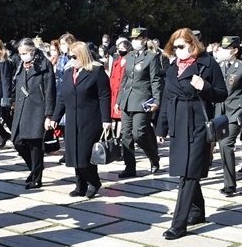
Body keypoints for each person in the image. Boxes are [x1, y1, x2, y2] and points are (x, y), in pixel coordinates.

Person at [156, 28, 227, 239]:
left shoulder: (208, 64)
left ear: (192, 44)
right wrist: (162, 127)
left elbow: (221, 94)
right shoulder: (171, 68)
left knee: (188, 174)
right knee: (184, 171)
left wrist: (204, 87)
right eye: (174, 47)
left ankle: (178, 225)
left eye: (181, 46)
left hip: (198, 125)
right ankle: (197, 211)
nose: (177, 50)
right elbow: (166, 99)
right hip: (178, 124)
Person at [47, 41, 112, 198]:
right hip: (72, 119)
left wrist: (106, 119)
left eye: (74, 55)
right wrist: (55, 117)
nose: (71, 58)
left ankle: (94, 182)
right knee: (73, 153)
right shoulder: (69, 72)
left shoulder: (96, 71)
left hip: (90, 119)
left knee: (84, 155)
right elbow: (62, 96)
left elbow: (104, 96)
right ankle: (80, 185)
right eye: (70, 55)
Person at [115, 27, 163, 179]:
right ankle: (130, 167)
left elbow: (155, 80)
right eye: (133, 39)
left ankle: (153, 157)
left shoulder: (151, 57)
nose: (135, 41)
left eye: (138, 38)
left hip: (143, 100)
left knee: (139, 133)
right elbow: (125, 79)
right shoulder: (129, 57)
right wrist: (118, 100)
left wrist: (156, 100)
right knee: (126, 135)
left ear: (145, 39)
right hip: (127, 100)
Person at [9, 38, 56, 189]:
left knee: (35, 144)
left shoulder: (44, 64)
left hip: (37, 108)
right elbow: (17, 83)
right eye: (20, 53)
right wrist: (12, 100)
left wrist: (49, 114)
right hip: (22, 107)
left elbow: (50, 90)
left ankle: (36, 177)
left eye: (25, 53)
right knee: (17, 141)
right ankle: (35, 168)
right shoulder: (21, 65)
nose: (22, 55)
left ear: (32, 51)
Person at [214, 36, 242, 196]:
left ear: (235, 50)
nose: (223, 51)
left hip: (235, 111)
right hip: (220, 111)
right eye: (222, 48)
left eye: (227, 48)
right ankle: (229, 181)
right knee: (222, 146)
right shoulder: (220, 65)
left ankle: (230, 184)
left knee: (226, 144)